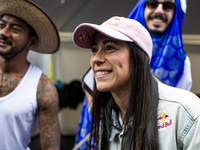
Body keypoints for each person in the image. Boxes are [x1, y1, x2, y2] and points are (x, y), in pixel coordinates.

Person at [72, 16, 200, 149]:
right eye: (94, 50)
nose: (96, 59)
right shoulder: (108, 119)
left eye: (110, 47)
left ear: (138, 57)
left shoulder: (185, 112)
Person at [0, 0, 60, 150]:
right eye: (1, 25)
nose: (3, 32)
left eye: (15, 29)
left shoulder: (43, 88)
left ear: (31, 42)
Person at [128, 0, 192, 90]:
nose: (159, 11)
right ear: (142, 8)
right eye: (152, 3)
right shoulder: (117, 50)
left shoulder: (182, 64)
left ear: (175, 14)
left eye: (168, 6)